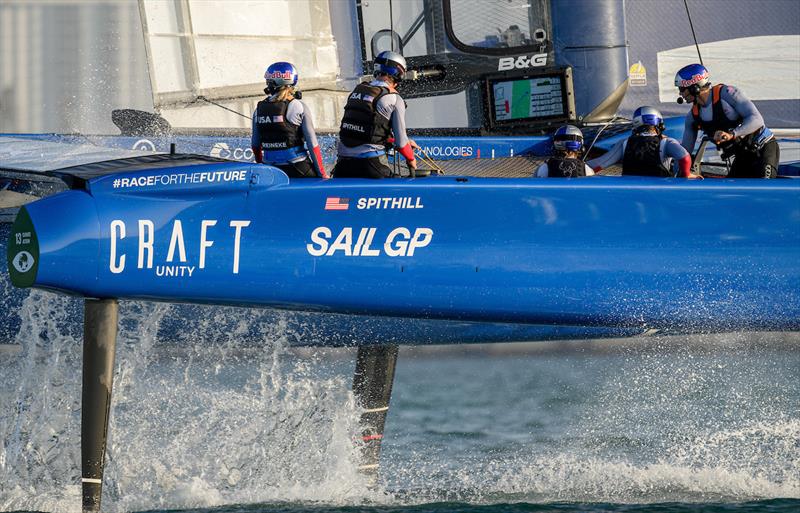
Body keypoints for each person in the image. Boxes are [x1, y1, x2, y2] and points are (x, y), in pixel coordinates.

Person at [676, 63, 778, 178]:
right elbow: (685, 153)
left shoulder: (727, 94)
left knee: (763, 190)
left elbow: (757, 119)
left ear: (694, 87)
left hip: (763, 148)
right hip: (742, 155)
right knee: (732, 193)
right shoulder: (693, 116)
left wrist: (732, 134)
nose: (680, 94)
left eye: (682, 89)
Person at [332, 50, 417, 178]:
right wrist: (411, 159)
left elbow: (367, 130)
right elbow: (401, 143)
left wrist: (394, 140)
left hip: (343, 165)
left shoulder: (358, 89)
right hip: (371, 165)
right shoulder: (394, 98)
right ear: (399, 73)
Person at [251, 62, 328, 178]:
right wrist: (322, 174)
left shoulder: (258, 110)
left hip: (271, 171)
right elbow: (313, 144)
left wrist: (262, 166)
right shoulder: (298, 106)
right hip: (298, 167)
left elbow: (255, 145)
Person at [588, 106, 698, 178]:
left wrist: (575, 165)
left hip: (631, 195)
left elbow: (599, 165)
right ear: (659, 124)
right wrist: (686, 175)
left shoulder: (625, 143)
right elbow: (685, 157)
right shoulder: (666, 142)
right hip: (659, 194)